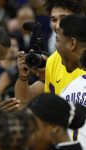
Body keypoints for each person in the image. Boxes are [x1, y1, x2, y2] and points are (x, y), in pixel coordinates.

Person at [15, 0, 86, 106]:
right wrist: (23, 76)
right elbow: (24, 101)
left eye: (63, 18)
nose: (57, 25)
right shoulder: (53, 60)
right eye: (54, 19)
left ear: (80, 17)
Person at [55, 14, 86, 150]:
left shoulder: (70, 88)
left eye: (57, 40)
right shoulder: (70, 87)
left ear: (72, 43)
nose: (55, 47)